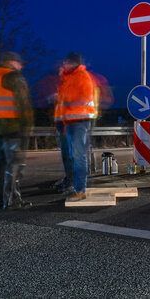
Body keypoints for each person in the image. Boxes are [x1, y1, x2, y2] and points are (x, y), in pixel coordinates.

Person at [0, 52, 34, 210]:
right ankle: (12, 200)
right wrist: (27, 126)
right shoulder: (14, 77)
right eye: (19, 64)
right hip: (12, 126)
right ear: (12, 62)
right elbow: (23, 103)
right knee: (14, 165)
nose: (21, 67)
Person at [54, 52, 97, 202]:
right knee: (74, 155)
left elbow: (79, 99)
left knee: (79, 156)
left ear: (73, 63)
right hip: (70, 122)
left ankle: (80, 190)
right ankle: (75, 187)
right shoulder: (69, 77)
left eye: (66, 62)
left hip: (79, 122)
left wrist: (64, 95)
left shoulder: (82, 77)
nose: (63, 64)